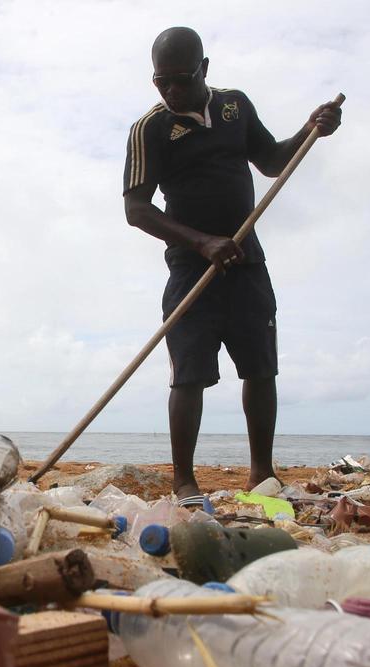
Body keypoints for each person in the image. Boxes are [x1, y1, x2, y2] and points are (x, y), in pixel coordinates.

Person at [123, 26, 341, 501]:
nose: (172, 90)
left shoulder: (235, 107)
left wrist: (310, 131)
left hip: (246, 262)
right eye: (162, 82)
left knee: (261, 368)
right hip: (191, 268)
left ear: (205, 68)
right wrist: (201, 243)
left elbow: (272, 162)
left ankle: (262, 475)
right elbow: (136, 210)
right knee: (189, 374)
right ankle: (185, 482)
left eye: (182, 78)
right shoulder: (150, 130)